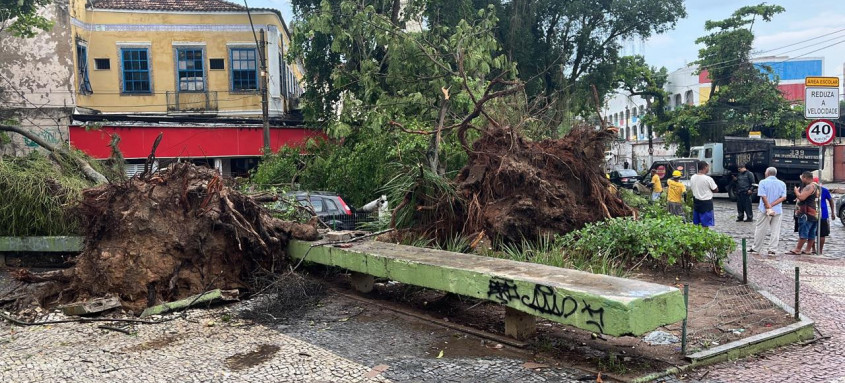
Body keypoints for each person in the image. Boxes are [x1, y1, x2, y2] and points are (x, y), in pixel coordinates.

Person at [750, 167, 786, 255]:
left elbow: (763, 196)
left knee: (760, 229)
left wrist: (768, 206)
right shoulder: (782, 183)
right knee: (775, 230)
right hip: (777, 210)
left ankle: (756, 248)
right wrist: (773, 205)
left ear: (767, 173)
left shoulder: (763, 182)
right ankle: (772, 249)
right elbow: (783, 197)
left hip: (764, 209)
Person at [789, 171, 819, 255]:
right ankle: (808, 249)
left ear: (805, 178)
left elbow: (802, 197)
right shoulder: (816, 186)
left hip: (806, 213)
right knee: (811, 232)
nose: (801, 179)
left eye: (802, 178)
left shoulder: (809, 186)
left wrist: (796, 192)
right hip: (813, 212)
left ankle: (798, 249)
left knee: (804, 231)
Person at [690, 161, 718, 228]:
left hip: (696, 202)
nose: (708, 169)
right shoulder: (708, 179)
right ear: (705, 167)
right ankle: (705, 237)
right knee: (705, 224)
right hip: (706, 203)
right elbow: (715, 190)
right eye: (708, 167)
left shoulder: (693, 177)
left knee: (697, 224)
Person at [815, 176, 836, 255]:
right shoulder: (824, 190)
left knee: (813, 233)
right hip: (822, 214)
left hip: (816, 214)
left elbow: (831, 201)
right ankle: (819, 250)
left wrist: (833, 212)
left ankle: (816, 250)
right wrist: (832, 212)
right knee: (822, 233)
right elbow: (831, 201)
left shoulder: (810, 190)